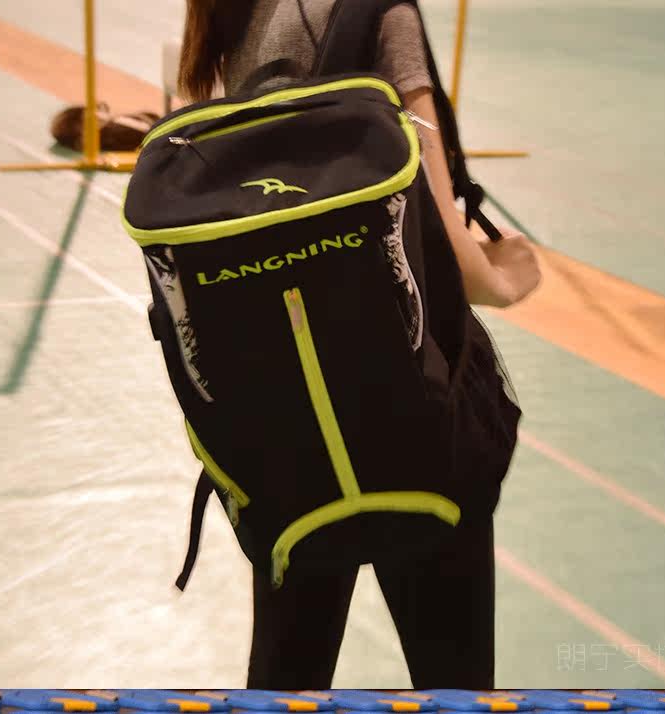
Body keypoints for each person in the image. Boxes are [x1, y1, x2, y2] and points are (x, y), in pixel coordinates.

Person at [177, 0, 541, 688]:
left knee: (286, 678)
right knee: (454, 683)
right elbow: (450, 251)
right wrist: (507, 277)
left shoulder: (236, 20)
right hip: (409, 416)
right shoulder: (381, 13)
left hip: (288, 431)